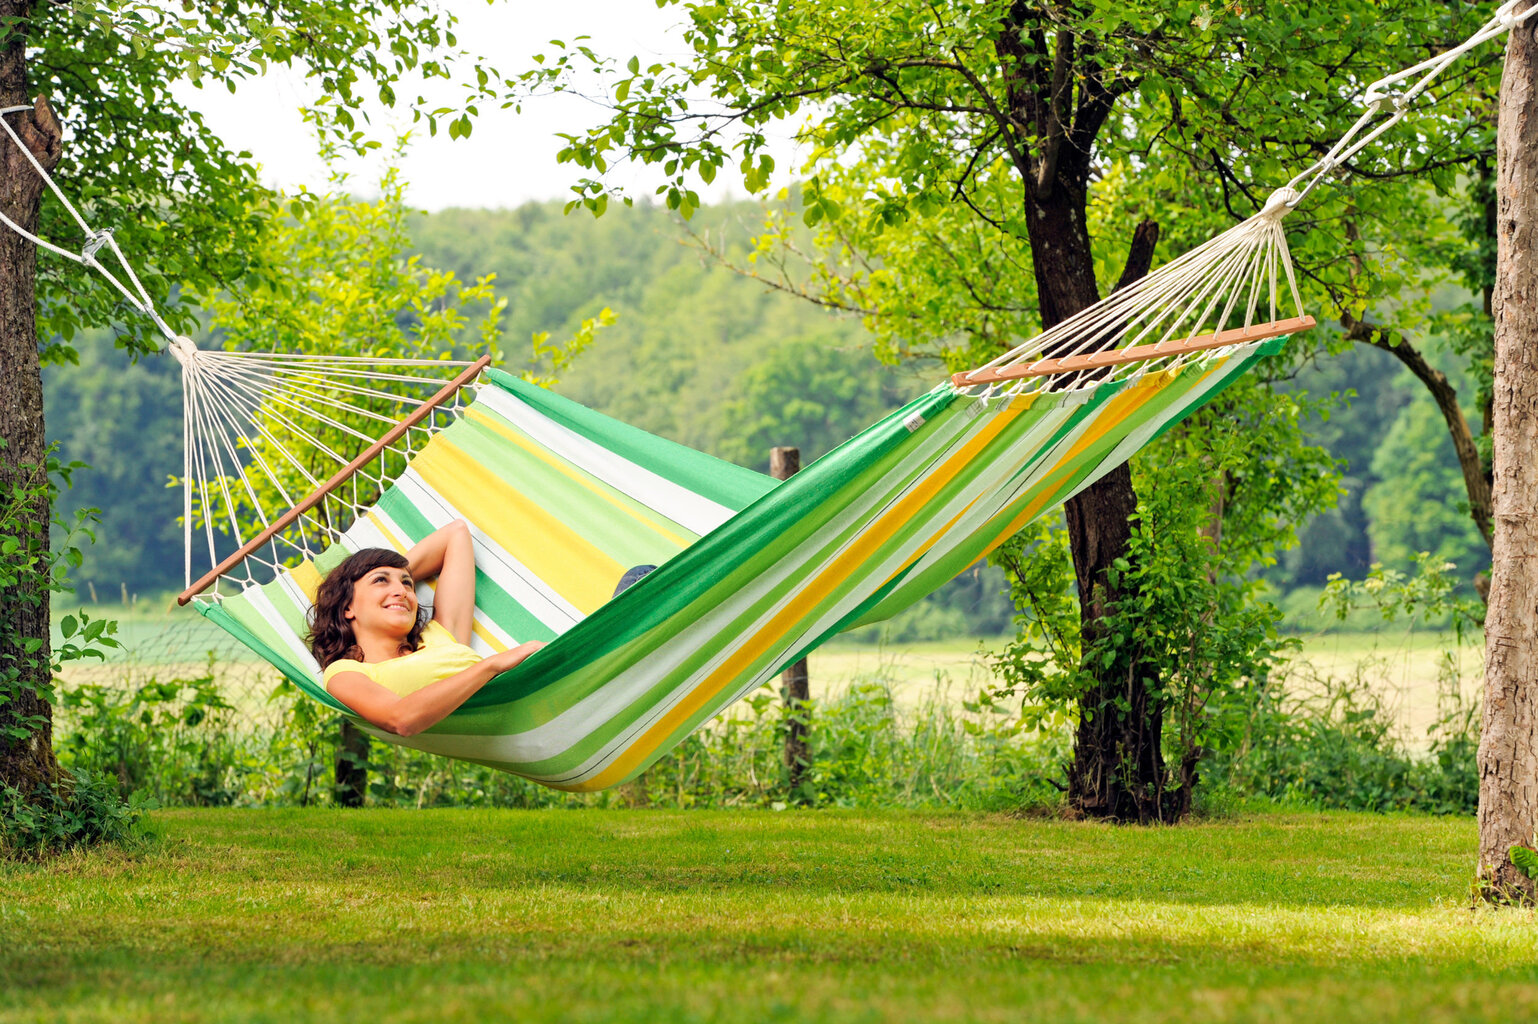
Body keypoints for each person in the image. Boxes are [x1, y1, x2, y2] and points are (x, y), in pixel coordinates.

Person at [308, 520, 546, 737]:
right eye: (380, 580)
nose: (402, 591)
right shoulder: (343, 672)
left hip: (542, 695)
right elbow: (401, 719)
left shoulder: (439, 635)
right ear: (347, 607)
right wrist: (491, 665)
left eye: (407, 583)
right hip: (527, 718)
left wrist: (387, 575)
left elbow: (456, 533)